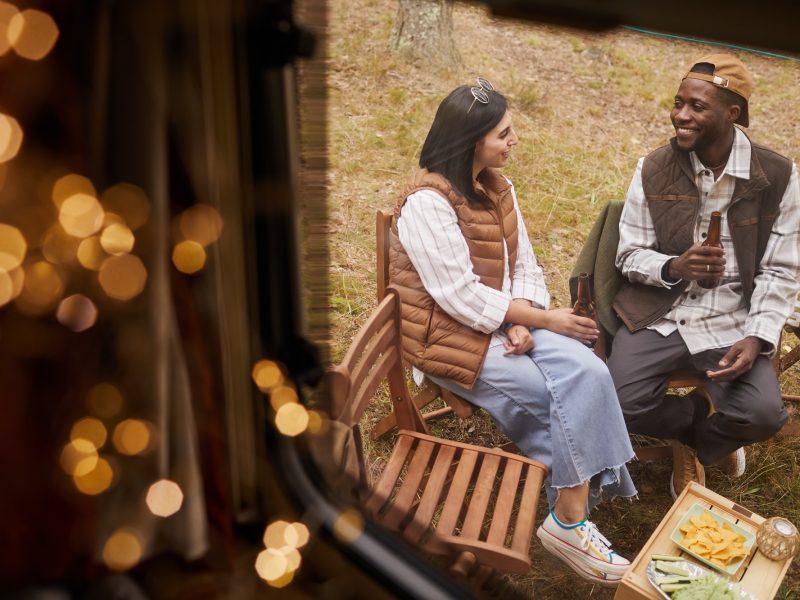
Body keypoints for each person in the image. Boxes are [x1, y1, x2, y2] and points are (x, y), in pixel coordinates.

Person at [388, 78, 636, 586]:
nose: (514, 140)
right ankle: (571, 521)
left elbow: (524, 263)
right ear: (470, 141)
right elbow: (457, 296)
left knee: (591, 374)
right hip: (447, 340)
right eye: (503, 133)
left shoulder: (498, 188)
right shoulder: (426, 205)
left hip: (505, 320)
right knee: (556, 403)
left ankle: (566, 518)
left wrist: (523, 317)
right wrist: (540, 320)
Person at [608, 53, 800, 499]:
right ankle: (697, 419)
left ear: (732, 113)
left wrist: (757, 336)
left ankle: (702, 441)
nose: (681, 115)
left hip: (733, 318)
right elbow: (628, 254)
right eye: (679, 103)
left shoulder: (779, 176)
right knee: (614, 404)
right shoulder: (653, 167)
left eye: (697, 106)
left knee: (763, 416)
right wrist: (673, 267)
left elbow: (781, 270)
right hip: (662, 312)